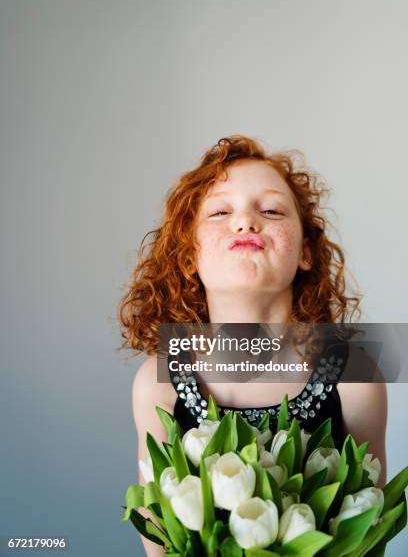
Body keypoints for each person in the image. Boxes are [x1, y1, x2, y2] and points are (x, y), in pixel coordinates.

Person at [118, 135, 387, 557]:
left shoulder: (356, 375)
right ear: (189, 257)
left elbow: (370, 531)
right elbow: (158, 535)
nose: (245, 222)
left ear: (306, 253)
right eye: (221, 211)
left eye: (272, 210)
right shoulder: (158, 383)